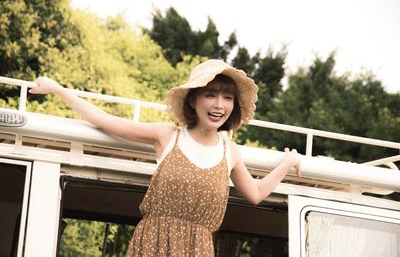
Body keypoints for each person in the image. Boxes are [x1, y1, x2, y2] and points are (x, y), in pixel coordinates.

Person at [29, 59, 301, 256]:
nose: (219, 105)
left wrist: (286, 164)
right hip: (151, 245)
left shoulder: (230, 151)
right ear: (193, 100)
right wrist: (58, 90)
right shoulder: (168, 136)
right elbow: (104, 121)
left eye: (227, 97)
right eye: (210, 94)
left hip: (199, 251)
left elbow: (254, 193)